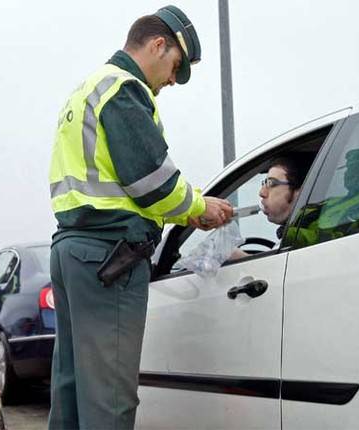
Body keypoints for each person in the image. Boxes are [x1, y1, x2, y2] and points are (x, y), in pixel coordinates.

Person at [47, 5, 233, 429]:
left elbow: (123, 184)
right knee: (109, 398)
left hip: (75, 250)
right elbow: (151, 180)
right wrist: (200, 206)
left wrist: (187, 210)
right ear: (157, 44)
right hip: (110, 258)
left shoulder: (86, 90)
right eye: (175, 66)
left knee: (73, 388)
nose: (171, 79)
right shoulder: (124, 88)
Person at [229, 156, 309, 259]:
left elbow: (279, 272)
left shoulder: (307, 237)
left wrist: (239, 258)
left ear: (299, 191)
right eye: (264, 183)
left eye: (271, 183)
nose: (261, 193)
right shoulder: (299, 234)